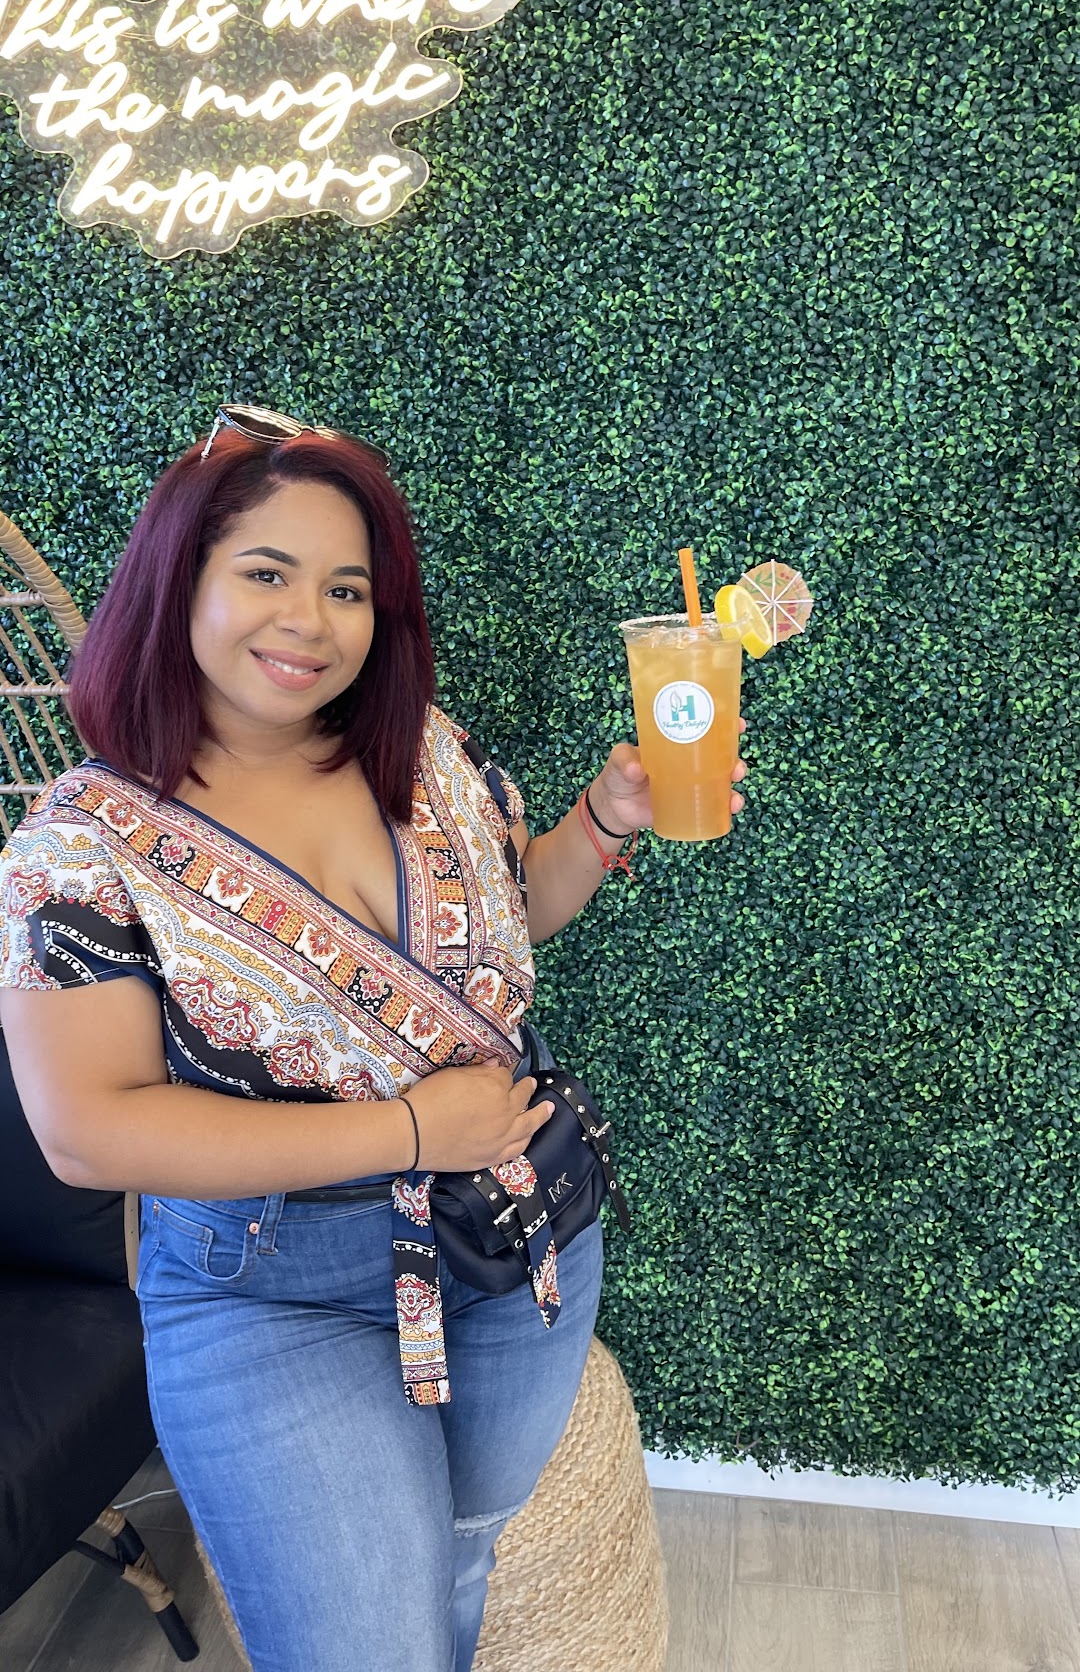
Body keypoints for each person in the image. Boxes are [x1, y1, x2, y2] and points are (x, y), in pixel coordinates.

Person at [0, 406, 748, 1672]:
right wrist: (408, 1128)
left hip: (512, 1235)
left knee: (461, 1552)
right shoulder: (83, 843)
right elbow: (88, 1131)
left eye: (346, 589)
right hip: (273, 1290)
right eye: (266, 573)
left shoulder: (424, 751)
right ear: (177, 581)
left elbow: (510, 920)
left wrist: (605, 821)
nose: (310, 620)